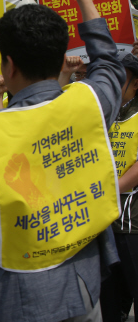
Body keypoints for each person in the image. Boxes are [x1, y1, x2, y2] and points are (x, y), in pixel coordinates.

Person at [0, 0, 124, 321]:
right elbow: (109, 61)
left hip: (21, 297)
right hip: (85, 283)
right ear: (62, 57)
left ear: (9, 64)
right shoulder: (89, 102)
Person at [100, 53, 138, 321]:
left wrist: (110, 188)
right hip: (102, 223)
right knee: (108, 302)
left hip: (132, 224)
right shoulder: (104, 112)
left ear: (135, 84)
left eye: (120, 77)